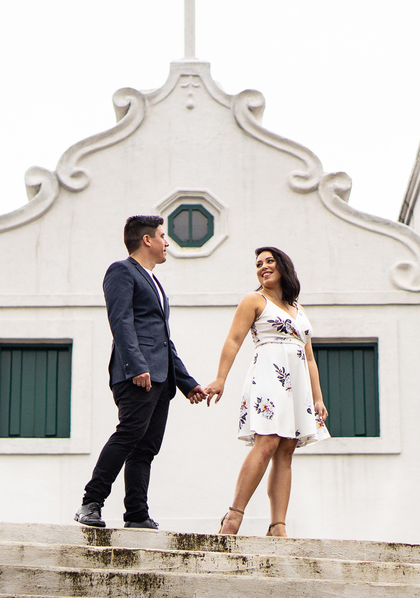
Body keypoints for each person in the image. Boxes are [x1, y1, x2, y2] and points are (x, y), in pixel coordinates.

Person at [75, 215, 207, 529]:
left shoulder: (155, 282)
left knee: (146, 448)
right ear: (147, 240)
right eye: (163, 236)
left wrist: (187, 383)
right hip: (136, 374)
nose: (167, 243)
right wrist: (136, 366)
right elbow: (120, 322)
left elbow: (163, 338)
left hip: (161, 379)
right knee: (128, 435)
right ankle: (90, 503)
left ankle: (136, 513)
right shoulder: (121, 271)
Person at [204, 246, 329, 536]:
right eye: (258, 263)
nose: (262, 267)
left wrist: (318, 397)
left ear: (284, 266)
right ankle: (234, 515)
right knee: (268, 442)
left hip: (296, 383)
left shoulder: (299, 309)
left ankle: (278, 525)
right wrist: (221, 379)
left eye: (269, 261)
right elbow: (234, 340)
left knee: (286, 450)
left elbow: (309, 358)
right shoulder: (254, 300)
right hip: (269, 376)